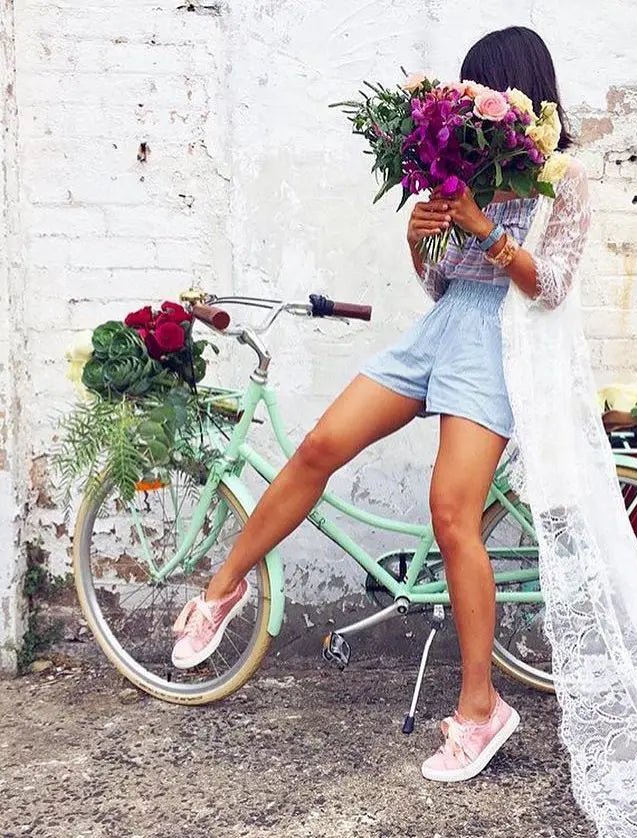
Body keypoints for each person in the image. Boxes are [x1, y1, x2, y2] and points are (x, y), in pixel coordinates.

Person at [170, 25, 584, 784]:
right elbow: (442, 284)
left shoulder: (565, 178)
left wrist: (488, 230)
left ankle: (481, 706)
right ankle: (225, 587)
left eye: (483, 94)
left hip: (499, 347)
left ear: (523, 94)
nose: (474, 112)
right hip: (443, 329)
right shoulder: (472, 171)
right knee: (320, 446)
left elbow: (550, 288)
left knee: (452, 513)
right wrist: (420, 238)